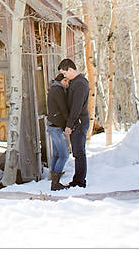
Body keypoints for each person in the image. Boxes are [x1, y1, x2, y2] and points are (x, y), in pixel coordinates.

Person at [59, 58, 90, 188]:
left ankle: (80, 181)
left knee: (79, 153)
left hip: (79, 122)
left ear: (70, 69)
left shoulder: (80, 83)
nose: (64, 76)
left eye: (65, 73)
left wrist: (69, 125)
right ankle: (77, 180)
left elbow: (76, 107)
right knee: (77, 153)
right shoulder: (74, 82)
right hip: (76, 121)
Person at [45, 72, 70, 190]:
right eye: (65, 81)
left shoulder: (54, 89)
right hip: (56, 127)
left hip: (53, 125)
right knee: (64, 155)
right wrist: (69, 123)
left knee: (56, 154)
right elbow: (63, 109)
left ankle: (53, 177)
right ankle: (55, 183)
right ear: (60, 81)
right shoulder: (58, 91)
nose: (67, 84)